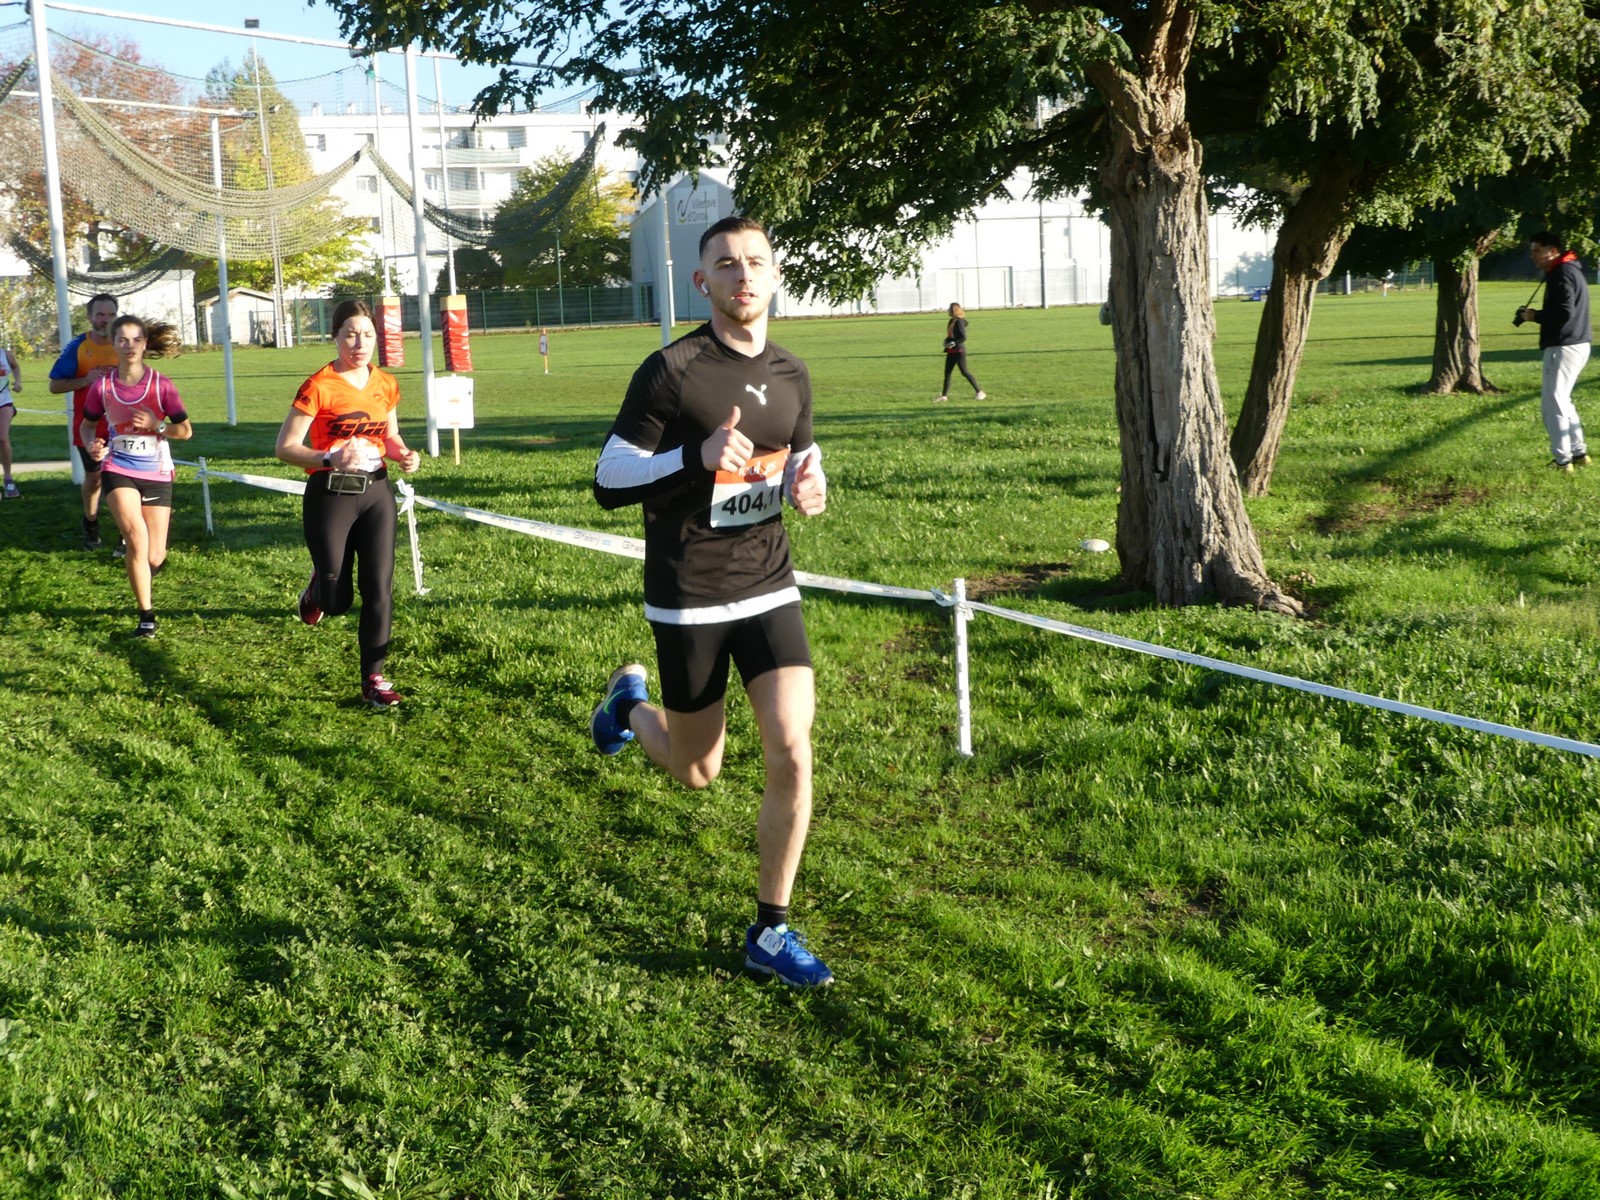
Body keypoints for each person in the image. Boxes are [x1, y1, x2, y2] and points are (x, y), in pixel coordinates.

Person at [590, 214, 834, 988]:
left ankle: (770, 930)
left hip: (767, 581)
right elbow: (607, 479)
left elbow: (802, 454)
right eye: (726, 264)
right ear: (703, 282)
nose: (743, 274)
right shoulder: (672, 370)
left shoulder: (792, 372)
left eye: (756, 261)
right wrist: (692, 456)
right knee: (696, 771)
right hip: (689, 593)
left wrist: (810, 485)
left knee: (792, 747)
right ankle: (628, 707)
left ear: (775, 274)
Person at [275, 299, 421, 708]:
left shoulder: (385, 383)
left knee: (379, 588)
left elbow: (389, 435)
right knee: (336, 602)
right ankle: (317, 591)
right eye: (351, 335)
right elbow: (285, 447)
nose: (360, 343)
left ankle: (374, 679)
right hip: (330, 494)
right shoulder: (318, 385)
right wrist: (329, 457)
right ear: (335, 337)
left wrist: (404, 454)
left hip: (376, 493)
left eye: (368, 335)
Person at [77, 317, 191, 638]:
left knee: (154, 555)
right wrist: (92, 445)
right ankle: (146, 617)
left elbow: (185, 431)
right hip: (118, 467)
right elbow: (87, 426)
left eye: (135, 339)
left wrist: (157, 425)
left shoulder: (161, 385)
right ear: (113, 344)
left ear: (144, 343)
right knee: (136, 538)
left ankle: (143, 573)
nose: (129, 346)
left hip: (156, 471)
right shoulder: (102, 388)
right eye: (122, 340)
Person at [1518, 231, 1592, 473]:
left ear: (1552, 251)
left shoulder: (1562, 273)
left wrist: (1534, 316)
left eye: (1537, 250)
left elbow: (1563, 314)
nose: (1533, 256)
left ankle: (1563, 461)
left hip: (1564, 346)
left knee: (1553, 403)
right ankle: (1579, 454)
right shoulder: (1569, 270)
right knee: (1563, 400)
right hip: (1577, 344)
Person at [49, 293, 119, 547]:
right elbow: (54, 386)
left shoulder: (125, 342)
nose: (105, 320)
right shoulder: (78, 346)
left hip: (123, 425)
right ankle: (91, 521)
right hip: (89, 426)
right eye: (100, 315)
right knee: (95, 477)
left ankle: (126, 532)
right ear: (90, 317)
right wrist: (85, 380)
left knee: (122, 477)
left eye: (111, 315)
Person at [934, 301, 985, 402]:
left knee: (964, 371)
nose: (948, 310)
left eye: (949, 309)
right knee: (947, 372)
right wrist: (946, 341)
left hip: (959, 350)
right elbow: (951, 335)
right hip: (951, 350)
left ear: (954, 310)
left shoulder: (959, 322)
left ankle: (980, 392)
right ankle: (944, 396)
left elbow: (963, 337)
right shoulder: (951, 321)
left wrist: (954, 343)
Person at [0, 344, 21, 499]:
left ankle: (8, 478)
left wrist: (18, 382)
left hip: (4, 400)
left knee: (2, 438)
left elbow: (15, 366)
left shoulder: (6, 355)